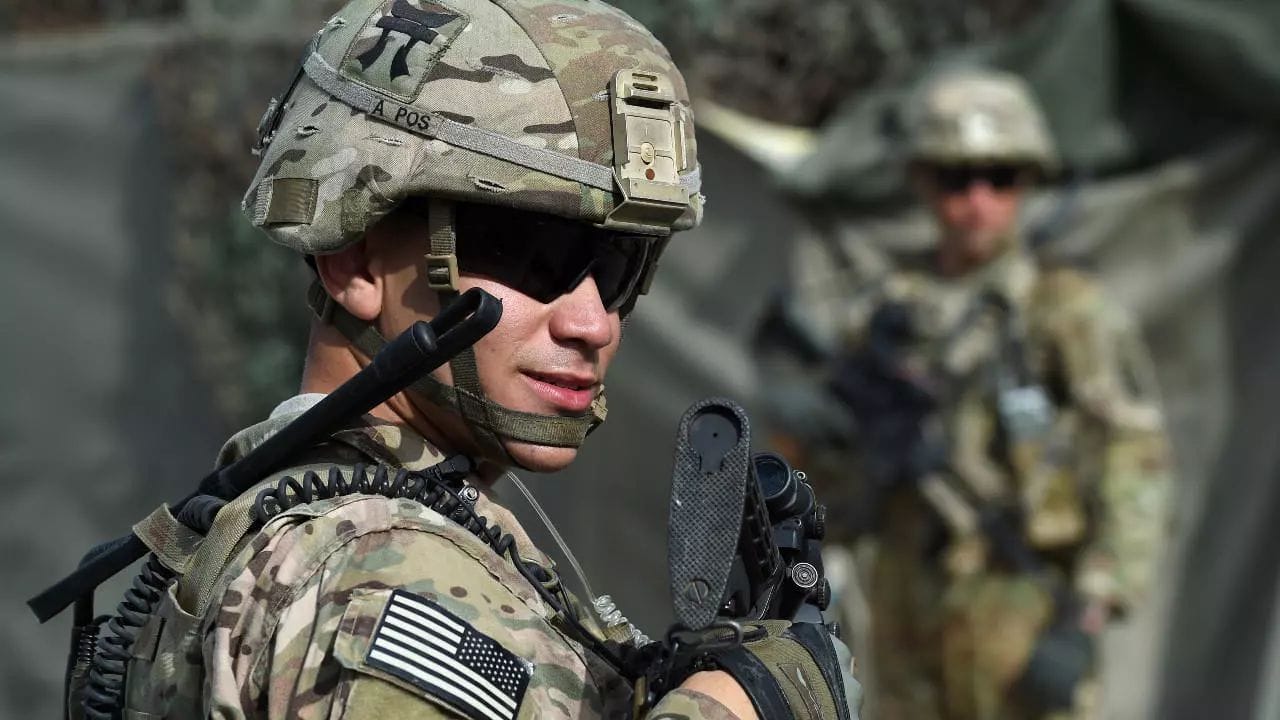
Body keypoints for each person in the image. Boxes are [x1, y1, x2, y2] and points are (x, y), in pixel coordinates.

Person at [66, 1, 861, 719]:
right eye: (533, 255)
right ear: (355, 257)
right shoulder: (383, 576)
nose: (592, 322)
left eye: (621, 267)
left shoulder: (289, 520)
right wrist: (735, 707)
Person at [760, 69, 1172, 720]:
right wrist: (813, 436)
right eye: (956, 180)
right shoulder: (885, 314)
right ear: (924, 183)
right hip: (905, 603)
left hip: (1022, 599)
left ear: (1027, 182)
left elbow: (1133, 459)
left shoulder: (1062, 311)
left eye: (999, 178)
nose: (977, 201)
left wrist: (1088, 614)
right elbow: (829, 479)